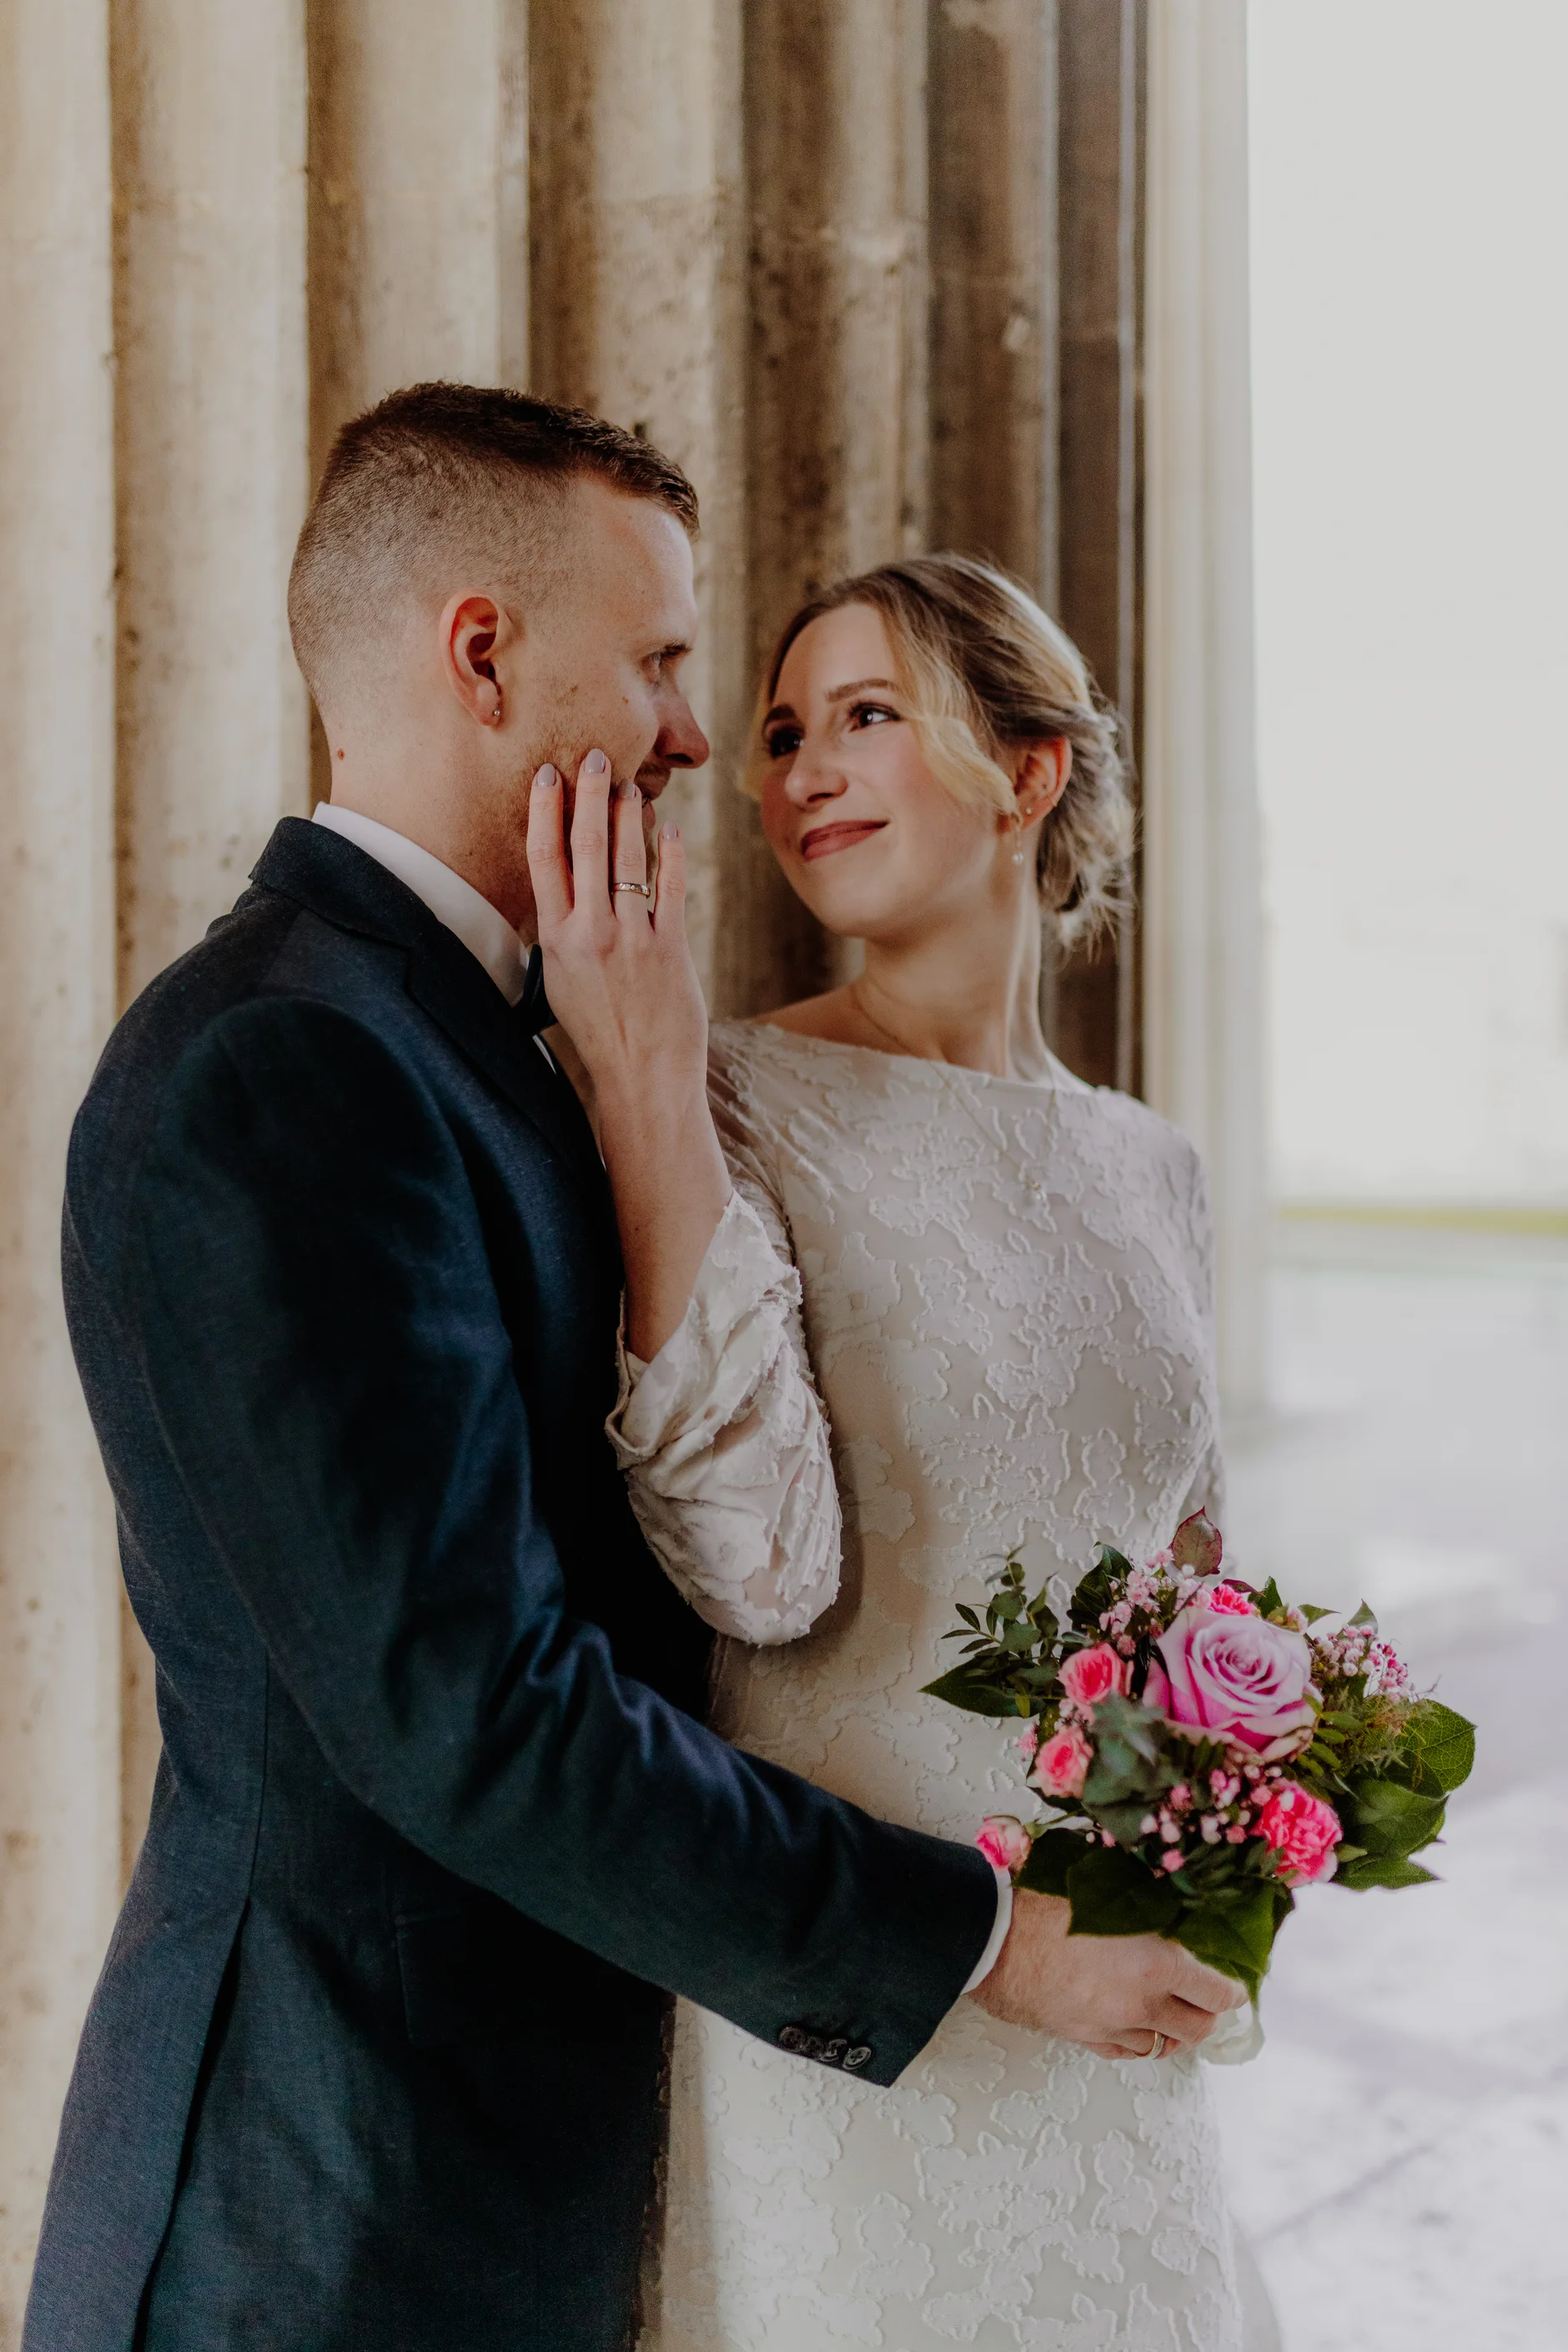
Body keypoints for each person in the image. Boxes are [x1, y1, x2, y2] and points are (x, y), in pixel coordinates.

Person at [23, 392, 1243, 2352]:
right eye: (673, 666)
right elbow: (473, 1715)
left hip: (562, 2148)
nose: (700, 741)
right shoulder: (283, 1063)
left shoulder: (469, 1043)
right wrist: (988, 1945)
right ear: (483, 657)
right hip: (335, 2204)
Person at [538, 553, 1263, 2349]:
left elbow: (1188, 1597)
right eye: (782, 732)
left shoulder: (1148, 1169)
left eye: (866, 716)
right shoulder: (718, 1097)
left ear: (1024, 774)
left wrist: (1228, 1878)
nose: (796, 772)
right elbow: (747, 1562)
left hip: (1112, 2037)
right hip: (860, 2023)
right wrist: (636, 1085)